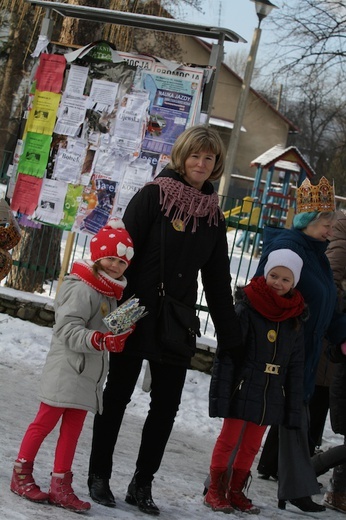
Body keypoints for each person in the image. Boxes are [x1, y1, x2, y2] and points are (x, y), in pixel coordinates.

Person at [87, 124, 243, 516]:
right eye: (195, 155)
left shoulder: (212, 216)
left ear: (217, 164)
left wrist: (232, 338)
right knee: (117, 396)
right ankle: (98, 475)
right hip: (135, 309)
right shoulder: (152, 196)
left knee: (166, 405)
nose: (201, 164)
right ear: (182, 156)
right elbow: (120, 256)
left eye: (209, 158)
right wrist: (103, 308)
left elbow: (218, 281)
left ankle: (142, 483)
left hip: (177, 318)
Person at [10, 219, 135, 513]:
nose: (116, 266)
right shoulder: (82, 288)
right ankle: (21, 472)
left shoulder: (109, 291)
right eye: (111, 258)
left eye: (122, 261)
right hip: (67, 369)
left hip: (87, 374)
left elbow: (101, 329)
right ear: (97, 256)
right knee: (44, 422)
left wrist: (118, 334)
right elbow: (66, 329)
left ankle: (60, 484)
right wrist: (101, 340)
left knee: (73, 430)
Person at [254, 176, 346, 512]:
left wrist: (343, 335)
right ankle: (220, 482)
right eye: (326, 223)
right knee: (252, 421)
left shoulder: (318, 255)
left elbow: (328, 305)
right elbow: (263, 294)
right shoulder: (288, 249)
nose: (331, 230)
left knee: (296, 421)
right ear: (308, 221)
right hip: (280, 353)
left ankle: (295, 489)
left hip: (302, 357)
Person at [205, 249, 306, 514]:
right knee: (229, 440)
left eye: (286, 279)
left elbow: (296, 365)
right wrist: (223, 391)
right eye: (274, 275)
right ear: (265, 273)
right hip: (244, 386)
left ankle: (236, 489)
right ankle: (215, 489)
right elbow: (228, 353)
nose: (278, 283)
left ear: (294, 283)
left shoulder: (295, 316)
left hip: (271, 392)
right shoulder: (247, 306)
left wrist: (292, 402)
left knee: (251, 445)